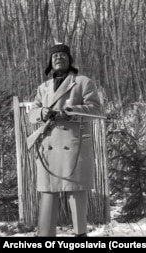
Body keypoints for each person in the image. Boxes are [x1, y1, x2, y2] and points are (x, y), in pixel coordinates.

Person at [28, 43, 101, 237]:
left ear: (70, 60)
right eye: (54, 56)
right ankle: (46, 237)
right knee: (48, 195)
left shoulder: (83, 82)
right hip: (48, 146)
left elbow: (96, 110)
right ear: (50, 63)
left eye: (62, 55)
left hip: (73, 146)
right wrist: (43, 112)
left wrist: (71, 112)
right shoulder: (43, 88)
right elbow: (31, 114)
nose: (58, 58)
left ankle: (80, 236)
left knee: (76, 194)